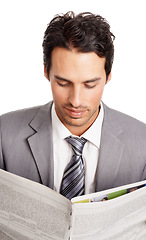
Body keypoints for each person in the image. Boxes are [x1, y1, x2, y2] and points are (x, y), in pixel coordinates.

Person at [0, 12, 146, 199]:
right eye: (63, 83)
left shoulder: (142, 143)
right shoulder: (4, 134)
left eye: (90, 85)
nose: (75, 101)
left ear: (108, 76)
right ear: (46, 72)